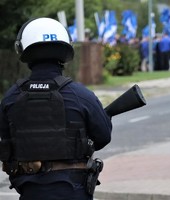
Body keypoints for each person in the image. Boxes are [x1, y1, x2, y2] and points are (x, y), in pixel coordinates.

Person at [0, 17, 112, 200]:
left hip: (29, 193)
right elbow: (103, 137)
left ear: (23, 49)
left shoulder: (11, 97)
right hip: (73, 192)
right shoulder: (81, 95)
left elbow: (6, 141)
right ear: (65, 50)